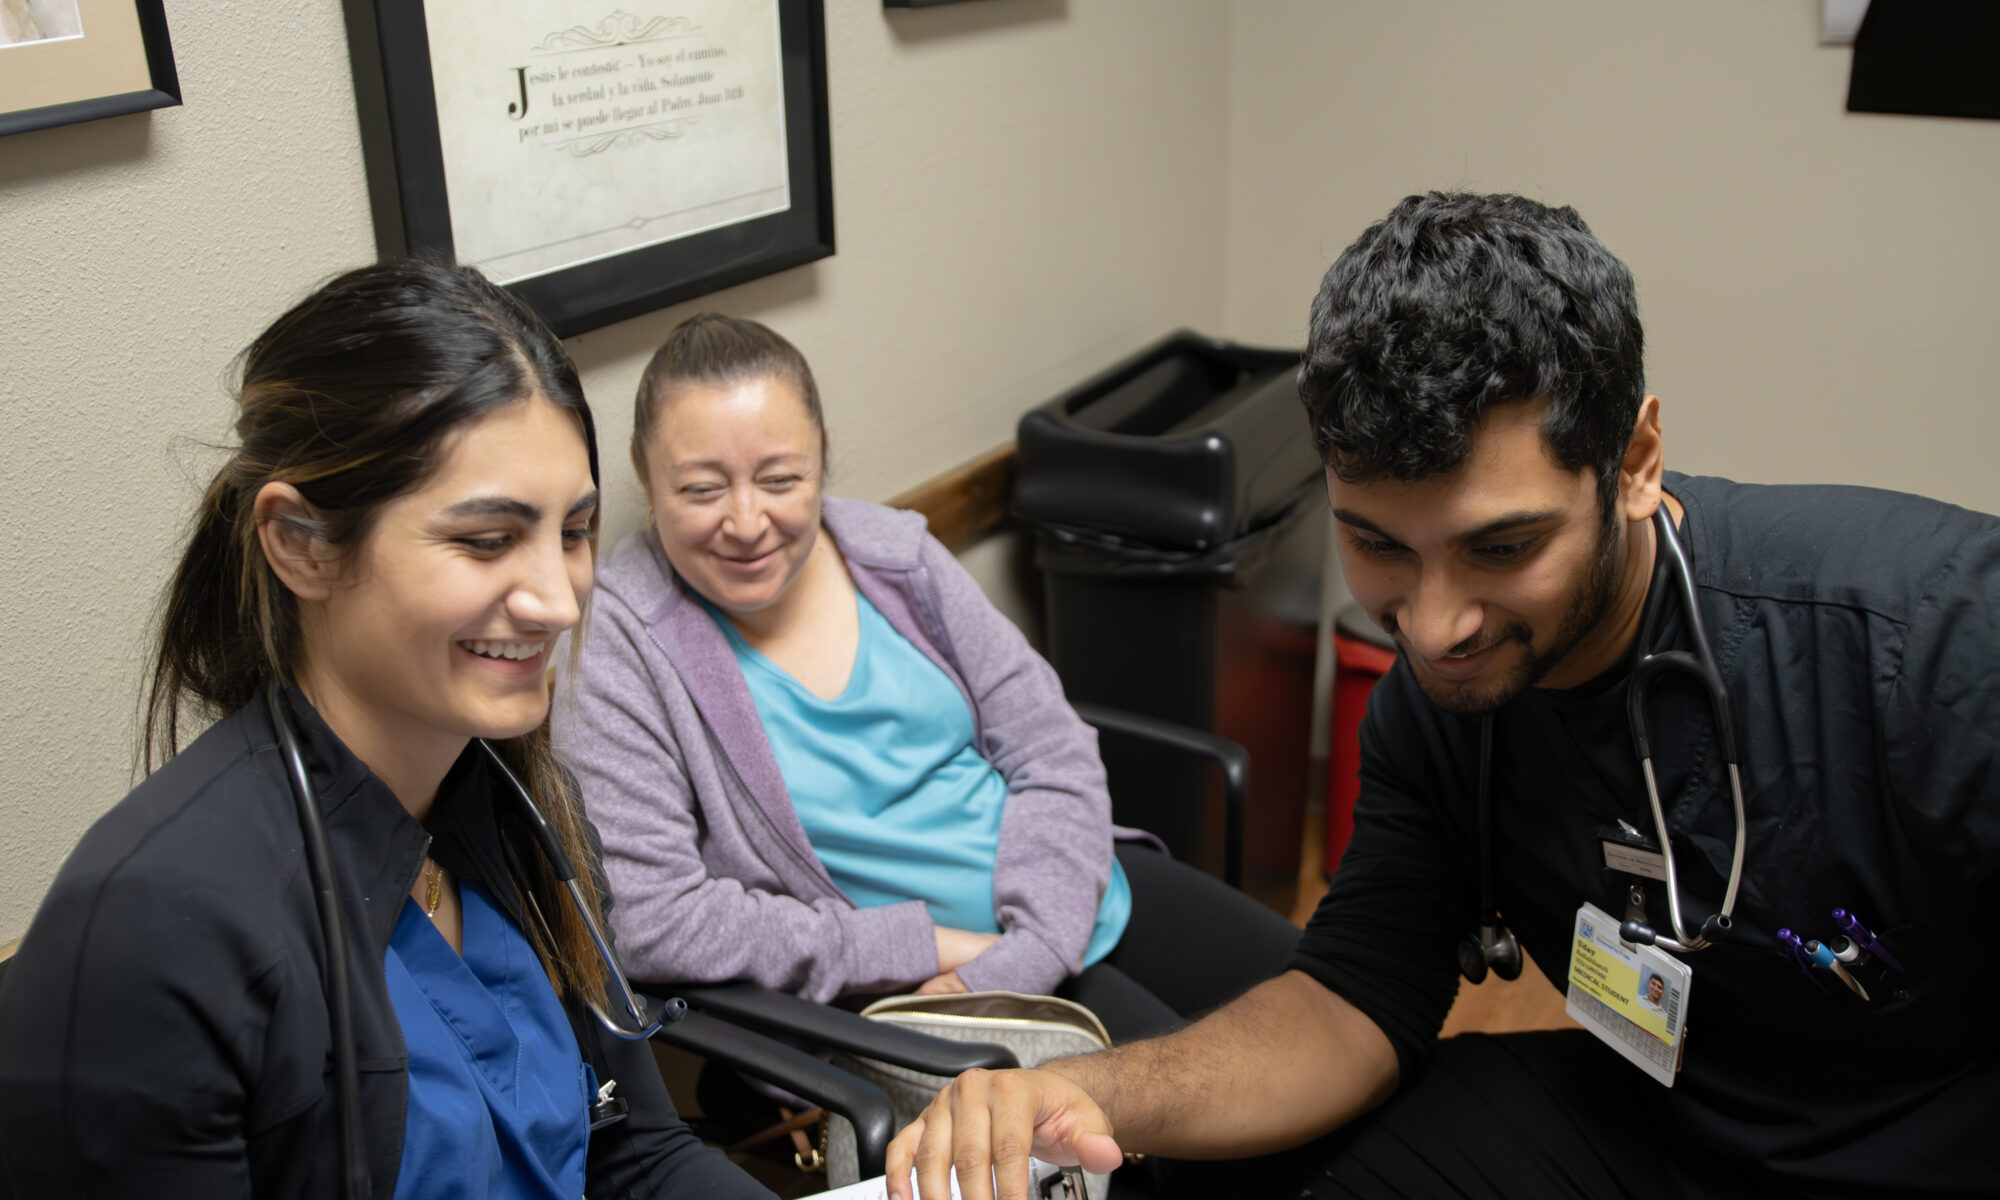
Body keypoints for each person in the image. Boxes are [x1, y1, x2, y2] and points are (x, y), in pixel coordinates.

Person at [887, 192, 2000, 1200]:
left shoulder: (1935, 641)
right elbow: (1352, 1000)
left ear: (1634, 460)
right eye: (1374, 545)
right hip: (1659, 1121)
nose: (1432, 625)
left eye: (1500, 546)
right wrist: (1091, 1095)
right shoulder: (1441, 702)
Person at [0, 261, 771, 1200]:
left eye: (572, 532)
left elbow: (634, 1160)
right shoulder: (153, 929)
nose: (557, 600)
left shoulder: (529, 812)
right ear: (302, 544)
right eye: (486, 540)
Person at [550, 314, 1296, 1048]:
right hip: (915, 991)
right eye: (702, 490)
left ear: (822, 459)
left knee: (1309, 996)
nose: (747, 522)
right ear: (648, 483)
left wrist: (1033, 945)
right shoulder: (619, 644)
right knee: (1211, 1110)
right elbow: (652, 919)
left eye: (780, 478)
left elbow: (1049, 743)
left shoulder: (892, 555)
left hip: (1063, 888)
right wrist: (928, 952)